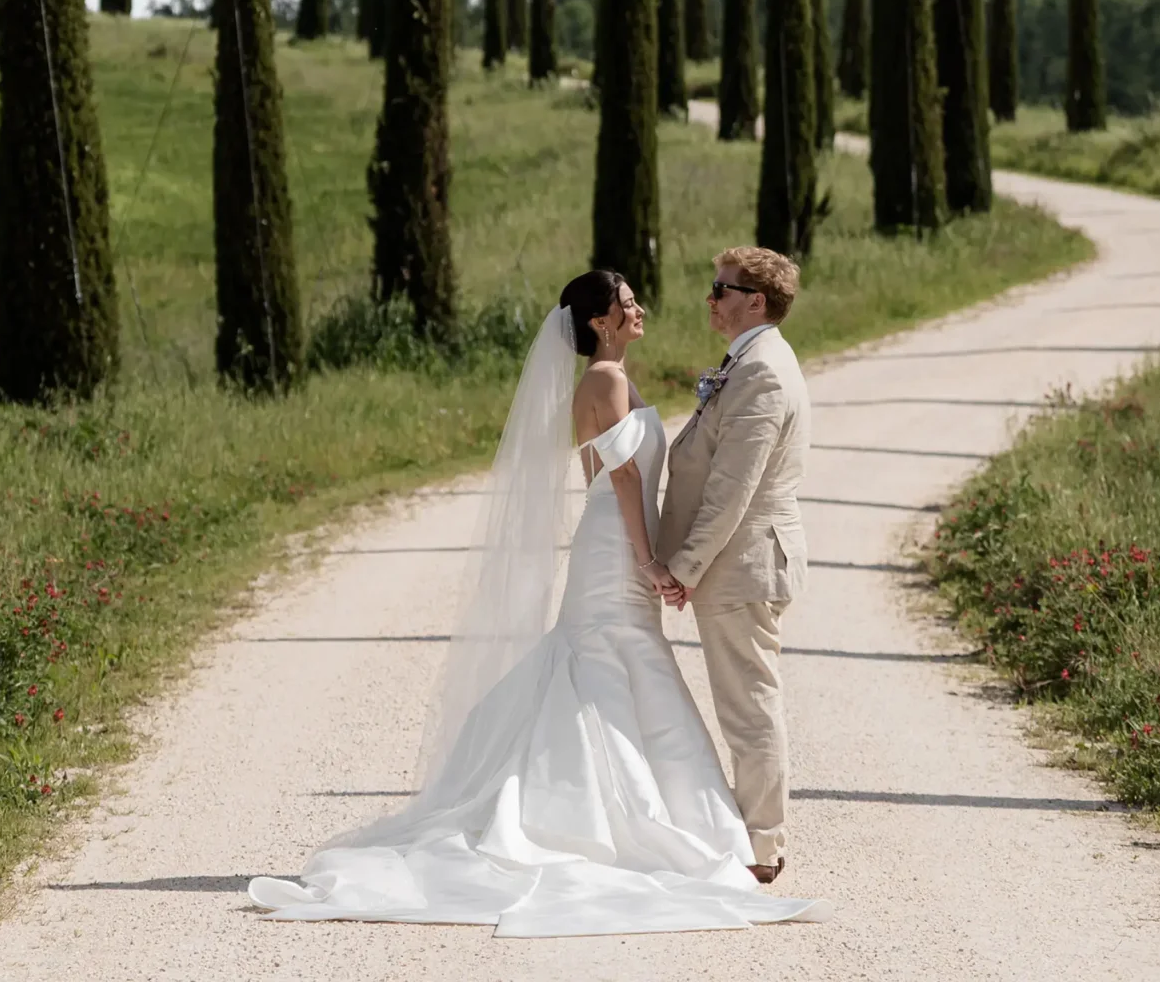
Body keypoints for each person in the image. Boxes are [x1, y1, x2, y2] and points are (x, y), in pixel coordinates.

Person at [248, 268, 829, 936]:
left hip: (621, 542)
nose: (641, 309)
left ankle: (675, 824)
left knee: (625, 669)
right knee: (606, 665)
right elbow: (620, 477)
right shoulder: (604, 382)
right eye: (628, 304)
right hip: (616, 547)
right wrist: (648, 559)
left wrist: (659, 554)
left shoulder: (618, 380)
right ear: (600, 322)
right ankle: (624, 824)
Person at [658, 246, 810, 883]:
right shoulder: (748, 361)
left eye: (721, 289)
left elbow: (734, 487)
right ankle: (755, 837)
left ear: (757, 301)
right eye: (711, 286)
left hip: (742, 560)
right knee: (745, 702)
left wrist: (686, 566)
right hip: (736, 559)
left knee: (749, 704)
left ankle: (761, 848)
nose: (710, 299)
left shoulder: (764, 371)